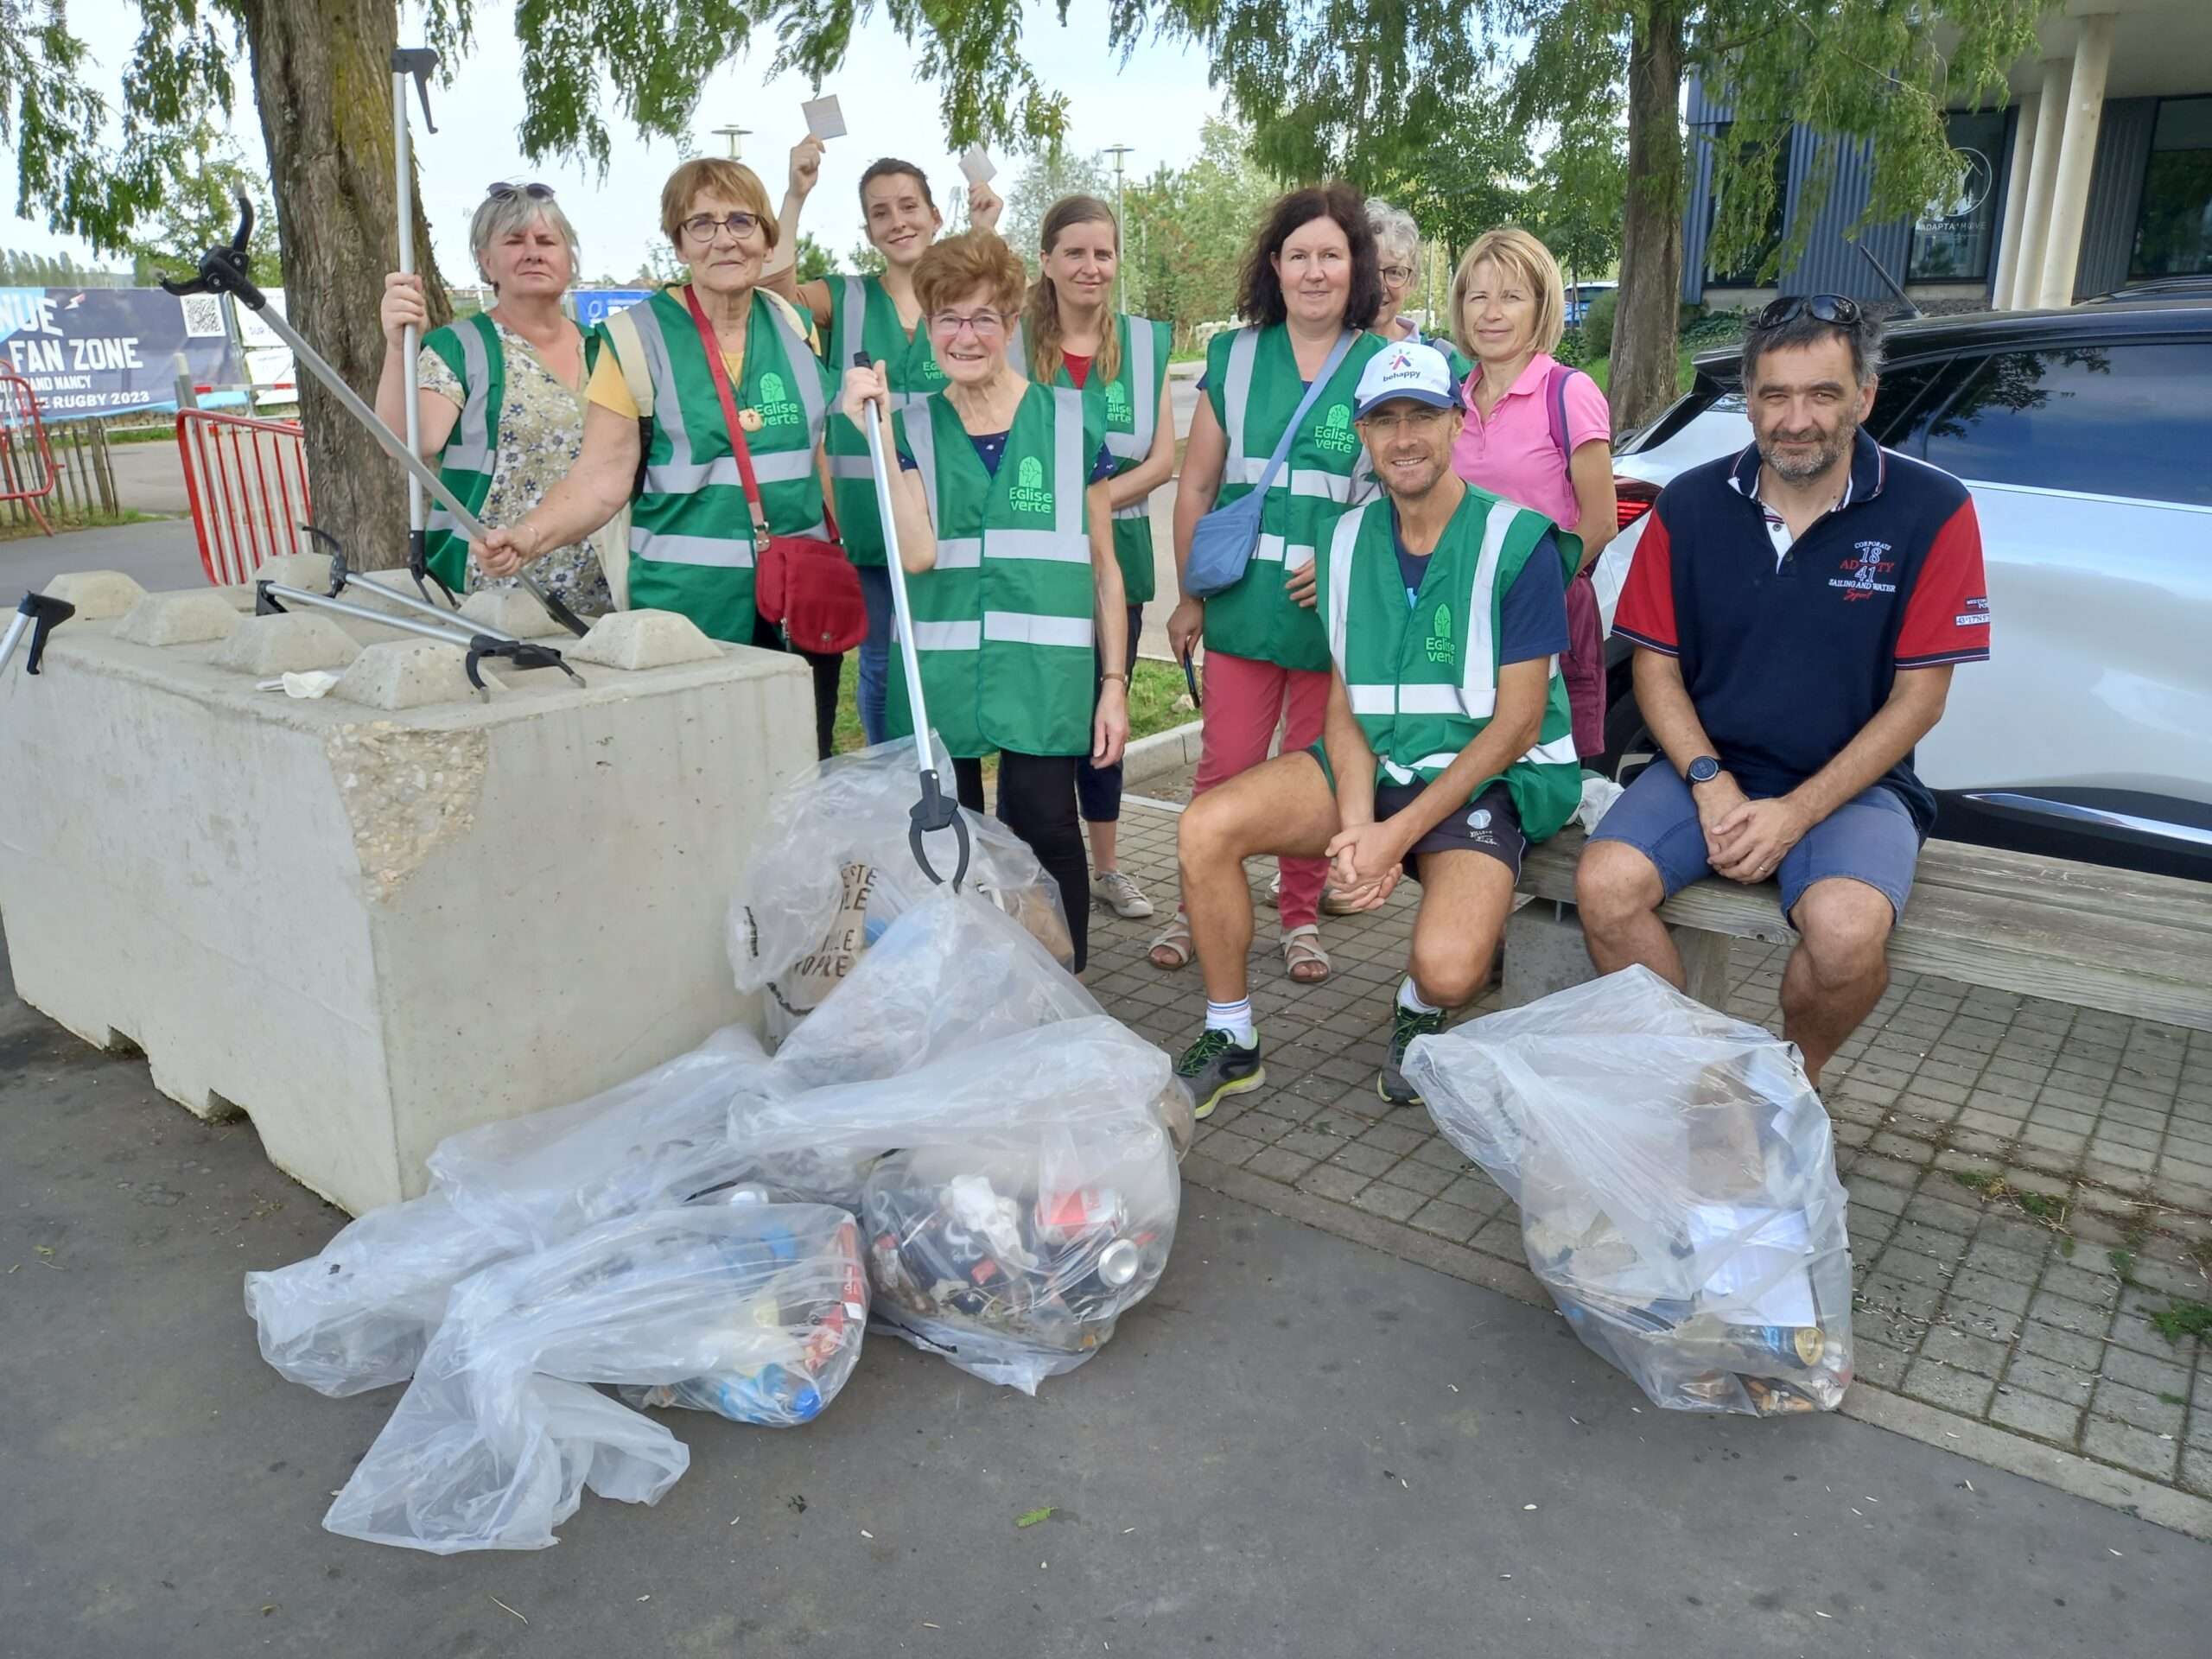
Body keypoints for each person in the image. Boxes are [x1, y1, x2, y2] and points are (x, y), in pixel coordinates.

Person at [1576, 296, 1991, 1087]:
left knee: (1843, 936)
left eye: (1822, 394)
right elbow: (1656, 667)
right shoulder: (1691, 505)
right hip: (1713, 770)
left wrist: (1796, 813)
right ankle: (1697, 1086)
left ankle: (1789, 1089)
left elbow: (1920, 700)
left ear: (1864, 396)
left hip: (1855, 789)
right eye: (1774, 395)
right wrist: (1707, 780)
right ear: (1749, 396)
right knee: (1603, 886)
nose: (1795, 419)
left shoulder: (1934, 509)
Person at [1170, 340, 1579, 1116]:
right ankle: (1231, 1038)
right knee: (1204, 828)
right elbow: (1346, 703)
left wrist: (1395, 838)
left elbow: (1518, 725)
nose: (1403, 437)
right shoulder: (1345, 539)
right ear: (1361, 435)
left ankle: (1419, 1008)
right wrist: (1359, 829)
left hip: (1484, 774)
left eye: (1421, 415)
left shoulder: (1517, 543)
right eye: (1383, 420)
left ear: (1458, 421)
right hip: (1380, 759)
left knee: (1452, 970)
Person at [473, 159, 845, 760]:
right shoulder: (633, 339)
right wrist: (530, 535)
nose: (724, 238)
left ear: (766, 239)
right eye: (701, 224)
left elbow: (821, 458)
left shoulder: (797, 326)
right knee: (709, 774)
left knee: (807, 761)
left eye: (741, 221)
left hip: (801, 602)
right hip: (689, 614)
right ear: (678, 243)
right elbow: (602, 475)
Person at [840, 231, 1129, 974]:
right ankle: (969, 996)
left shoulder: (1071, 422)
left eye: (982, 318)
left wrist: (1115, 687)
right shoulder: (905, 426)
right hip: (940, 677)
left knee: (1046, 833)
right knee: (947, 846)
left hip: (1045, 675)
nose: (964, 336)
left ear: (1010, 323)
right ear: (929, 327)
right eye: (947, 319)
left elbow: (1105, 568)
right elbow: (917, 554)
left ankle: (1059, 991)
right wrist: (868, 436)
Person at [1148, 182, 1388, 988]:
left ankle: (1299, 916)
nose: (1315, 271)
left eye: (1331, 254)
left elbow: (1408, 496)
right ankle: (1196, 905)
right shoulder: (1237, 356)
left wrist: (1350, 565)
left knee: (1314, 774)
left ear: (1355, 266)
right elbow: (1195, 486)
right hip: (1244, 609)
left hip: (1337, 618)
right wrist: (1188, 596)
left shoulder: (1383, 365)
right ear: (1274, 268)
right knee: (1228, 766)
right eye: (1298, 256)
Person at [772, 139, 1003, 748]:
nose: (897, 221)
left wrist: (985, 237)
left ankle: (949, 765)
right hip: (871, 523)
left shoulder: (957, 307)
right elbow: (771, 286)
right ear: (868, 228)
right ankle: (890, 772)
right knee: (878, 660)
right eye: (880, 212)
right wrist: (796, 194)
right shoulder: (844, 298)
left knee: (944, 650)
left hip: (948, 513)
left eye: (909, 206)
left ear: (935, 215)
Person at [1022, 194, 1176, 923]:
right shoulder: (1016, 340)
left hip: (1119, 553)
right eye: (1075, 252)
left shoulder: (1144, 344)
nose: (1091, 266)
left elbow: (1165, 458)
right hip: (1035, 559)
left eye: (1103, 253)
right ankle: (1038, 864)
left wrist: (1090, 502)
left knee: (1106, 715)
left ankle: (1109, 867)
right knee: (1046, 711)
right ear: (1047, 261)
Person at [375, 181, 613, 616]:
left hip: (606, 591)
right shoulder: (460, 347)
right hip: (494, 591)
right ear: (486, 262)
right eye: (514, 241)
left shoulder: (607, 350)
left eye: (546, 241)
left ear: (569, 259)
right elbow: (407, 441)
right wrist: (397, 348)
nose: (533, 251)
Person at [1447, 227, 1617, 764]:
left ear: (1540, 308)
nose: (1491, 312)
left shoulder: (1567, 392)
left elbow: (1601, 521)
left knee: (1549, 775)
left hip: (1548, 615)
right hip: (1463, 614)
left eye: (1511, 296)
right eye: (1478, 296)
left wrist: (1532, 594)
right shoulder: (1448, 401)